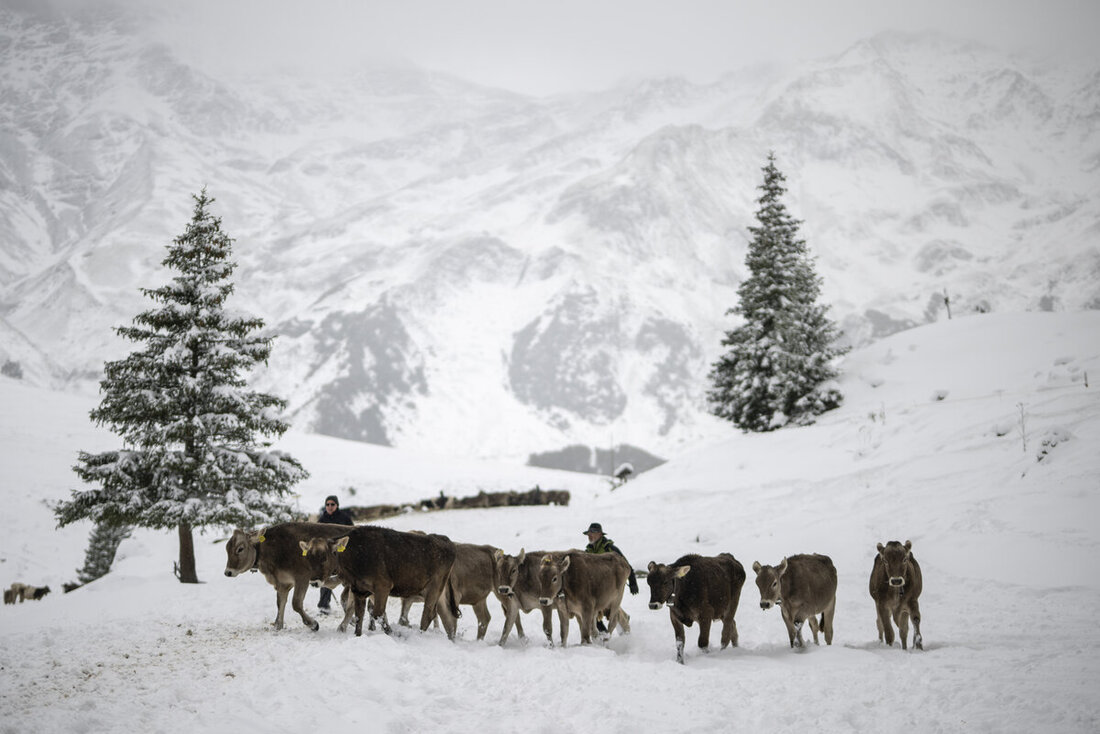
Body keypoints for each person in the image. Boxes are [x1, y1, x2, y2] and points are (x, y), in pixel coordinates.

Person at [582, 522, 639, 633]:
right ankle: (605, 635)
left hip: (611, 585)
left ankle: (624, 632)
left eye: (592, 533)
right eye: (588, 533)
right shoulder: (588, 551)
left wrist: (633, 582)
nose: (589, 536)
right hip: (595, 587)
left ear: (600, 534)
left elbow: (625, 565)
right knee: (594, 610)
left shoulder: (610, 548)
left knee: (610, 609)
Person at [317, 494, 354, 615]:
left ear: (337, 505)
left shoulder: (344, 518)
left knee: (349, 579)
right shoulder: (322, 520)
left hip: (344, 554)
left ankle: (351, 604)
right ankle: (324, 606)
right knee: (325, 577)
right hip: (329, 555)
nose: (330, 506)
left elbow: (353, 533)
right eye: (327, 504)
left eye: (332, 504)